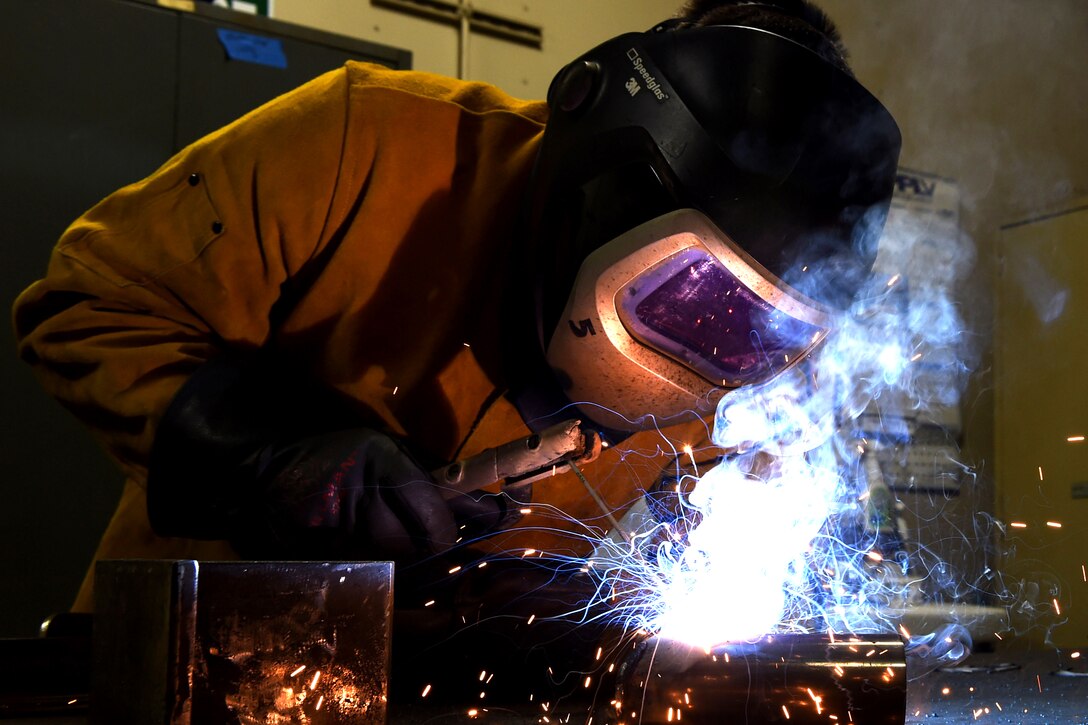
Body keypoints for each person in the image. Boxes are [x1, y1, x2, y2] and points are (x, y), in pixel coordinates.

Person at [13, 0, 899, 654]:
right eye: (686, 294)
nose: (706, 346)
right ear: (615, 184)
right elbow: (88, 303)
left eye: (751, 330)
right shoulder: (369, 137)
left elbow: (704, 526)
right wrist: (270, 453)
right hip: (190, 663)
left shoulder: (757, 375)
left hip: (458, 690)